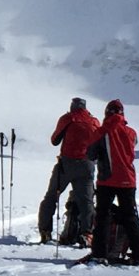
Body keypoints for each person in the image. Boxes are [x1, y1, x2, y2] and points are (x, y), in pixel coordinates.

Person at [87, 98, 139, 265]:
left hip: (106, 180)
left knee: (103, 217)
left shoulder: (101, 132)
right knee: (130, 217)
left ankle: (100, 253)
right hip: (128, 179)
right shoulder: (131, 133)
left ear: (106, 113)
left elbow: (90, 154)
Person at [40, 96, 100, 245]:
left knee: (51, 197)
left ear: (72, 107)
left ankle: (45, 232)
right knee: (86, 202)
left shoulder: (68, 118)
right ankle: (87, 234)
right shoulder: (94, 121)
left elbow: (54, 140)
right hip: (86, 165)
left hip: (66, 164)